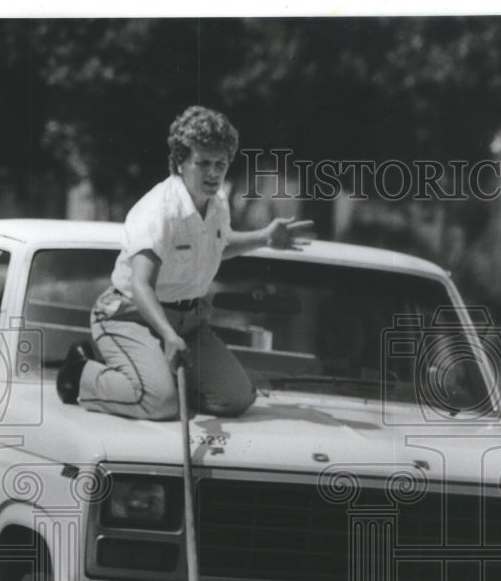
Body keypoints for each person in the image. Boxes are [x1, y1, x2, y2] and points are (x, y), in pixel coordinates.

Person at [56, 105, 312, 419]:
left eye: (221, 163)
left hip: (189, 323)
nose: (213, 173)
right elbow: (141, 283)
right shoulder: (159, 209)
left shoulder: (216, 204)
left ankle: (160, 384)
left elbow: (216, 245)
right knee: (160, 403)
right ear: (180, 161)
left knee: (236, 399)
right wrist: (167, 334)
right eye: (202, 163)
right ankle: (81, 373)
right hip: (130, 316)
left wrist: (264, 238)